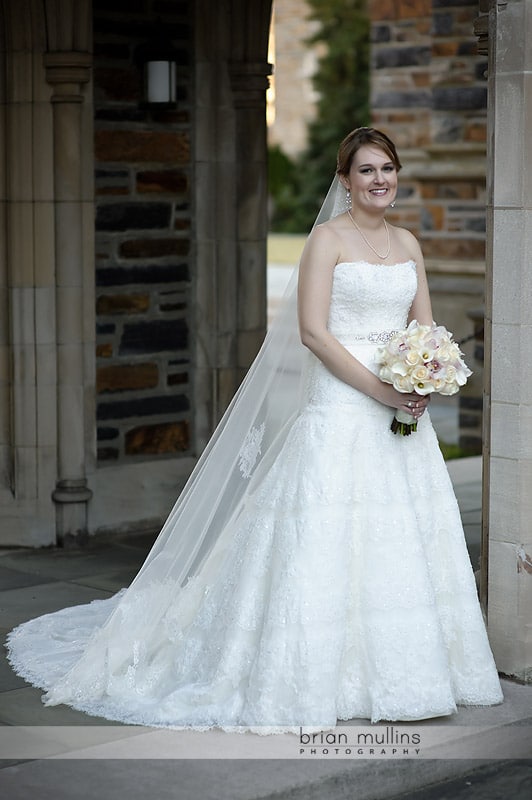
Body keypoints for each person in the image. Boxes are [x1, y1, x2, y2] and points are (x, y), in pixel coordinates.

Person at [7, 127, 503, 733]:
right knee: (326, 534)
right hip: (343, 405)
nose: (380, 180)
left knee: (402, 534)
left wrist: (426, 381)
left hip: (404, 412)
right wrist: (383, 391)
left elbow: (425, 328)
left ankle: (411, 675)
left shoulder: (408, 243)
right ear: (344, 181)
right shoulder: (326, 240)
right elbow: (315, 334)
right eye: (367, 170)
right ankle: (310, 674)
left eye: (388, 169)